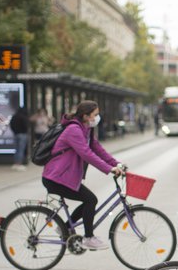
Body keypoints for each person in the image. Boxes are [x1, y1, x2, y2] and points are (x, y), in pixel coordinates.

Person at [42, 100, 124, 250]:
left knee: (89, 200)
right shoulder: (74, 130)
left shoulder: (86, 129)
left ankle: (64, 228)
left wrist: (115, 163)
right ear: (86, 116)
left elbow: (96, 148)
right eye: (95, 115)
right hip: (55, 178)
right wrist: (108, 169)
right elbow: (86, 154)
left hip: (64, 177)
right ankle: (88, 237)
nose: (97, 118)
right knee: (90, 200)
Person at [10, 106, 29, 171]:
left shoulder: (14, 116)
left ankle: (15, 163)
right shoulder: (23, 117)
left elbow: (11, 125)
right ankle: (19, 164)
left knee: (17, 150)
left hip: (16, 134)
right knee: (21, 150)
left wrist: (15, 131)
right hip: (22, 134)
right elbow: (26, 126)